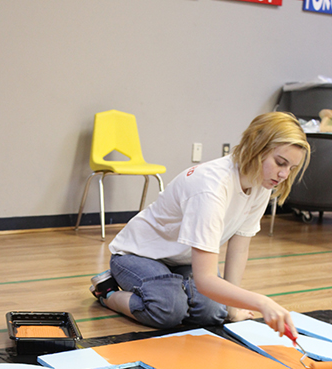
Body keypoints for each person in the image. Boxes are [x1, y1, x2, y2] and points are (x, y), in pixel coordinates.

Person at [90, 112, 311, 337]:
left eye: (291, 168)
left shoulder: (261, 183)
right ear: (256, 147)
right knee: (169, 310)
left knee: (214, 312)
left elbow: (239, 249)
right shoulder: (211, 187)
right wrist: (263, 302)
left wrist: (232, 310)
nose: (284, 174)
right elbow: (205, 281)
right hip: (139, 255)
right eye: (280, 163)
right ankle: (107, 292)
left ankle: (172, 288)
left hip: (184, 260)